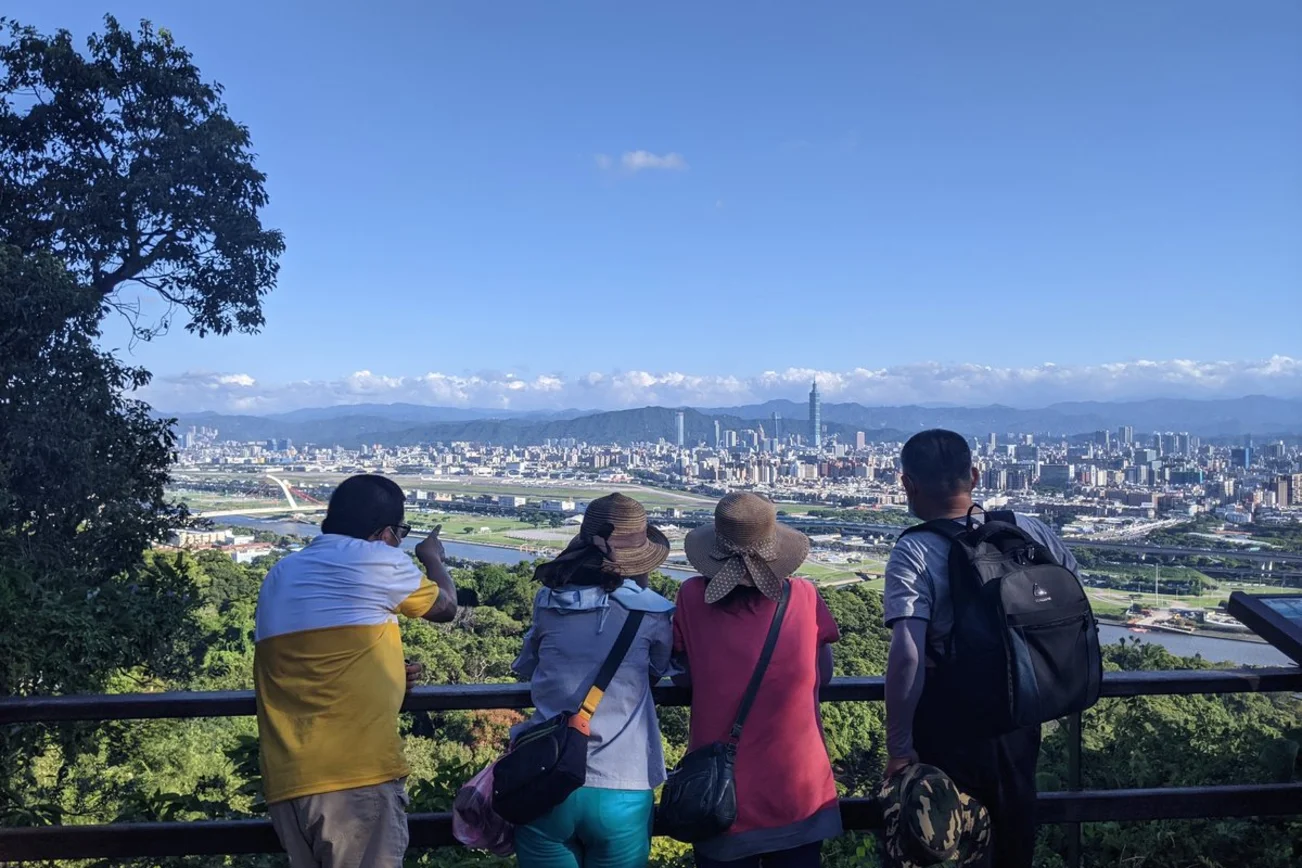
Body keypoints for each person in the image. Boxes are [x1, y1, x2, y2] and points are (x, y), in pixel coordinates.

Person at [882, 430, 1081, 868]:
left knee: (944, 847)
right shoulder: (1027, 528)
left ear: (907, 484)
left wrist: (899, 746)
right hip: (1022, 719)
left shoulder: (914, 549)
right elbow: (1072, 602)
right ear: (974, 475)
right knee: (1013, 846)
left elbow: (908, 656)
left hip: (948, 727)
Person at [254, 474, 458, 868]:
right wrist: (433, 558)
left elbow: (313, 660)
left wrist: (388, 673)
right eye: (400, 532)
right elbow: (446, 608)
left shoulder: (281, 572)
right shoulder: (377, 558)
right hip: (353, 780)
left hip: (287, 781)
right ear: (385, 533)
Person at [673, 492, 841, 868]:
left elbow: (684, 674)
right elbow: (823, 674)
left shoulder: (691, 596)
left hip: (719, 793)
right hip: (798, 787)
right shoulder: (804, 596)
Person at [511, 493, 676, 868]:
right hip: (623, 780)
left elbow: (526, 665)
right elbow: (661, 666)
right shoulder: (654, 612)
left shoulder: (548, 601)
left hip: (545, 777)